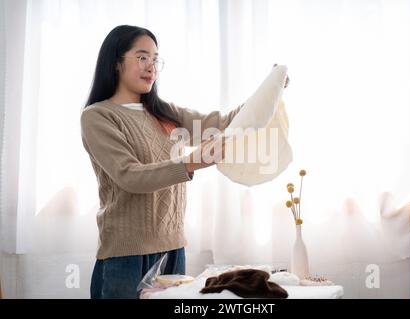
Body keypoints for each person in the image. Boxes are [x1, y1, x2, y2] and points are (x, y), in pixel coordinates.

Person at [81, 25, 288, 299]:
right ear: (116, 62)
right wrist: (190, 163)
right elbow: (129, 176)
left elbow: (223, 124)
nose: (151, 66)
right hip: (125, 256)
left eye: (155, 59)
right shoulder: (98, 116)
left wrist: (270, 88)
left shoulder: (163, 111)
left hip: (173, 249)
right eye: (142, 57)